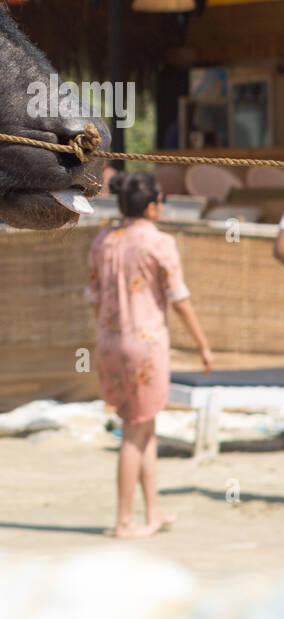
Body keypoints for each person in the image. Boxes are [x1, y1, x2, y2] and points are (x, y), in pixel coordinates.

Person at [86, 172, 213, 538]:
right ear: (153, 205)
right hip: (145, 345)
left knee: (145, 425)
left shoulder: (102, 241)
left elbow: (94, 298)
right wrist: (203, 344)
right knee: (134, 431)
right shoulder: (159, 243)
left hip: (110, 341)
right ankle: (125, 521)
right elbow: (180, 299)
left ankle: (153, 510)